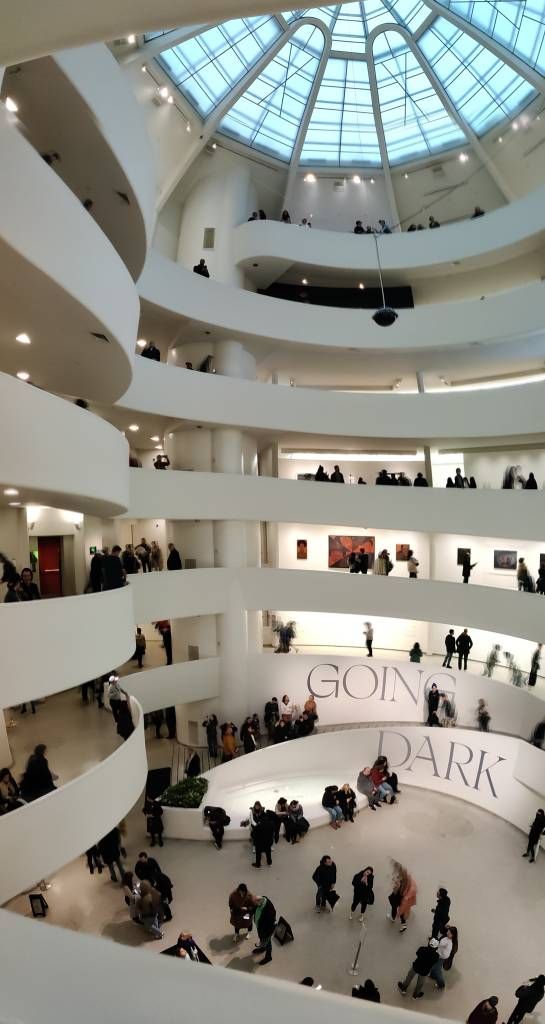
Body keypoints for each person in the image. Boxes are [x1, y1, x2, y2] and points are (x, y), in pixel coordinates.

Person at [388, 860, 417, 932]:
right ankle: (403, 924)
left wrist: (395, 883)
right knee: (401, 910)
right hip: (402, 896)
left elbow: (395, 890)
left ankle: (393, 918)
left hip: (397, 896)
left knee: (394, 907)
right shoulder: (406, 878)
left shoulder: (400, 879)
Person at [250, 893, 276, 965]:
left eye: (255, 904)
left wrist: (265, 935)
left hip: (266, 931)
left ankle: (268, 957)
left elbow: (270, 925)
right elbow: (254, 908)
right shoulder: (260, 901)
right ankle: (262, 948)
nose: (254, 905)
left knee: (267, 943)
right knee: (262, 940)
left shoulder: (269, 910)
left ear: (259, 901)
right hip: (261, 928)